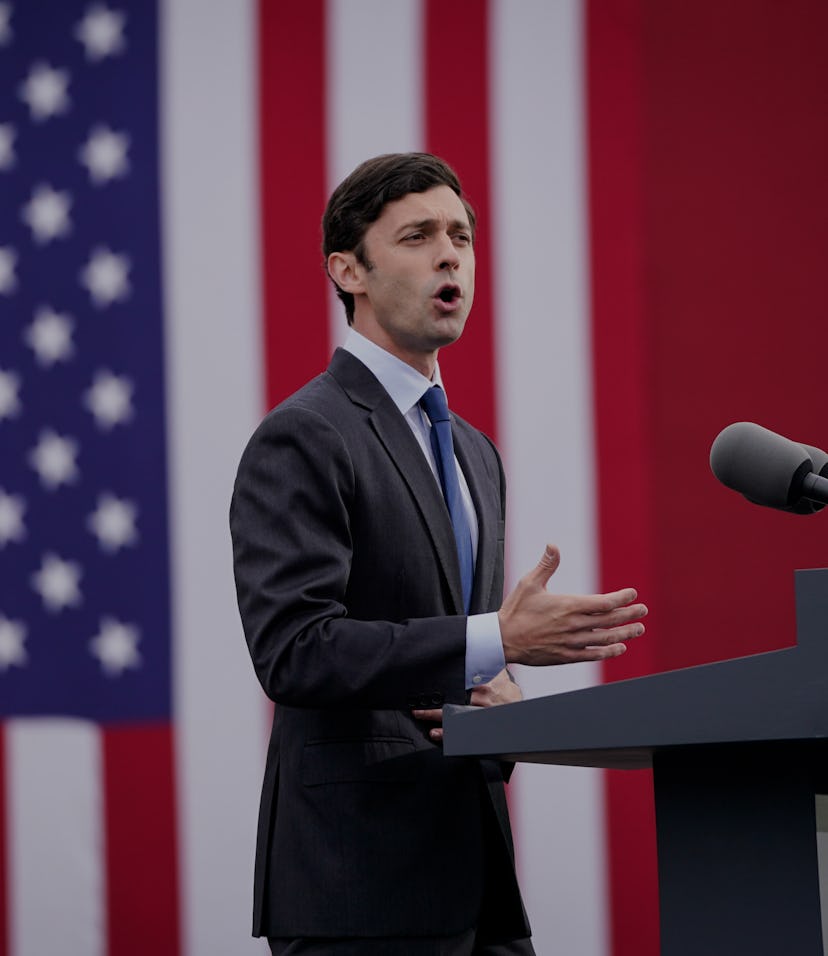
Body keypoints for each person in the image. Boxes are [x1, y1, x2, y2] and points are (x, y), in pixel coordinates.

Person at [230, 153, 647, 955]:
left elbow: (460, 651)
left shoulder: (475, 453)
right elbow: (294, 651)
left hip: (478, 883)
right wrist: (499, 638)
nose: (449, 254)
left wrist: (504, 703)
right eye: (417, 236)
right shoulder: (305, 436)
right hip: (358, 888)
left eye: (460, 235)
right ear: (346, 268)